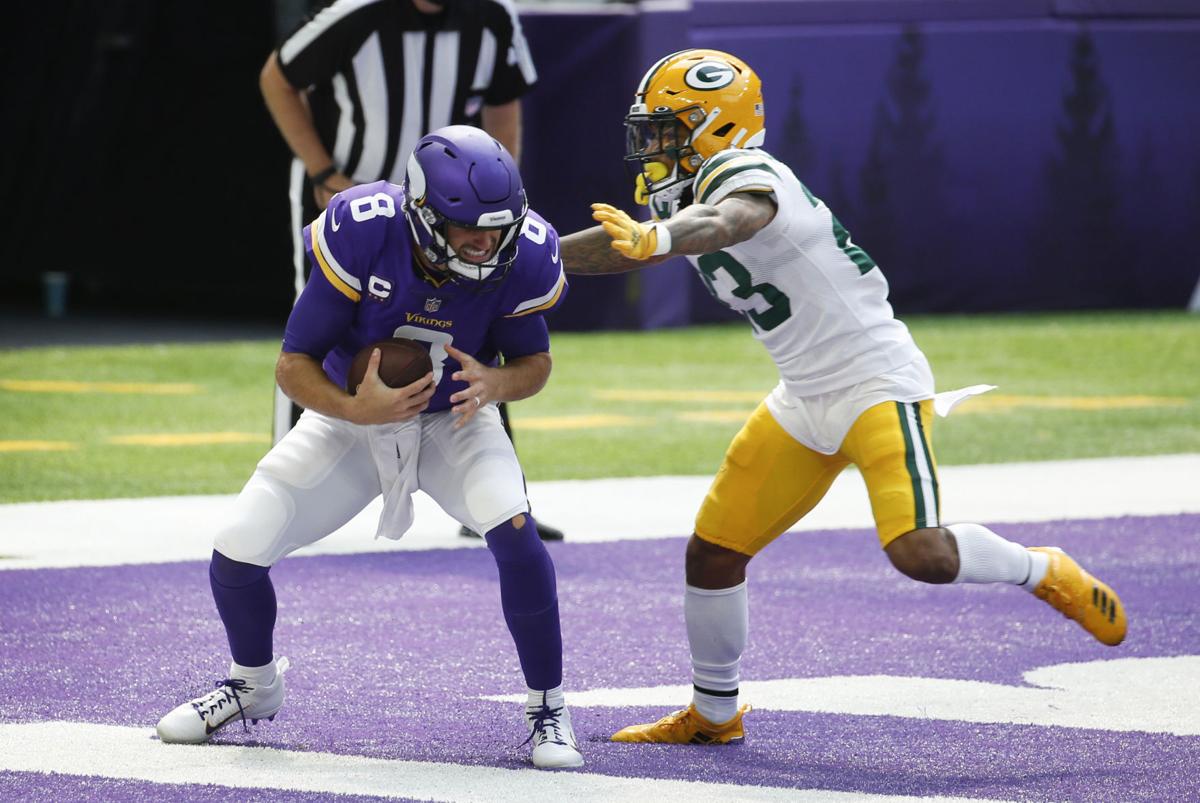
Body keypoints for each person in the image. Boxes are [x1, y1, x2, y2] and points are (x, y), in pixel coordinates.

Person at [560, 49, 1127, 745]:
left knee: (921, 553)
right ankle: (714, 715)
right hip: (803, 395)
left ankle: (1045, 568)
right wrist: (531, 258)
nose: (653, 147)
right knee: (713, 552)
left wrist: (662, 236)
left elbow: (731, 220)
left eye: (669, 130)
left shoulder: (748, 175)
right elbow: (633, 246)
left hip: (875, 382)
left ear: (715, 127)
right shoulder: (679, 199)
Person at [156, 126, 583, 769]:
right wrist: (357, 407)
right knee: (239, 546)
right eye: (467, 227)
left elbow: (536, 363)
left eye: (497, 228)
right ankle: (254, 684)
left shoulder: (522, 255)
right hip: (348, 421)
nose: (484, 242)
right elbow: (293, 363)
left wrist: (496, 383)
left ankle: (548, 705)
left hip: (454, 420)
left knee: (514, 531)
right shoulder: (363, 227)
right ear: (420, 212)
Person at [260, 0, 562, 542]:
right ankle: (293, 492)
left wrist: (498, 208)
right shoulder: (356, 12)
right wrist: (324, 170)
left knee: (482, 332)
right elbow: (277, 78)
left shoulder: (491, 16)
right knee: (319, 336)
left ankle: (496, 502)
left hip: (462, 216)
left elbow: (503, 104)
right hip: (359, 203)